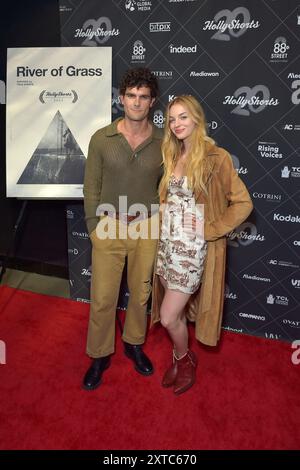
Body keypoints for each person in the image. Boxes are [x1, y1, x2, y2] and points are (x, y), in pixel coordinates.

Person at [151, 95, 253, 395]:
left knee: (169, 316)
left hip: (192, 251)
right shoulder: (171, 154)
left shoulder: (216, 157)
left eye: (183, 117)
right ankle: (180, 356)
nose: (177, 124)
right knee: (175, 314)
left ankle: (184, 361)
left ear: (197, 118)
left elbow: (243, 203)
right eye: (171, 119)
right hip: (168, 246)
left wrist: (210, 229)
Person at [82, 67, 163, 391]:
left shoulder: (164, 141)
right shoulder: (102, 138)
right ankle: (99, 354)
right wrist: (93, 227)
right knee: (102, 297)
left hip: (146, 226)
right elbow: (91, 187)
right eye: (131, 96)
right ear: (121, 99)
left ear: (152, 101)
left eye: (143, 97)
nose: (137, 102)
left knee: (141, 294)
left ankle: (133, 342)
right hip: (109, 225)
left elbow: (169, 186)